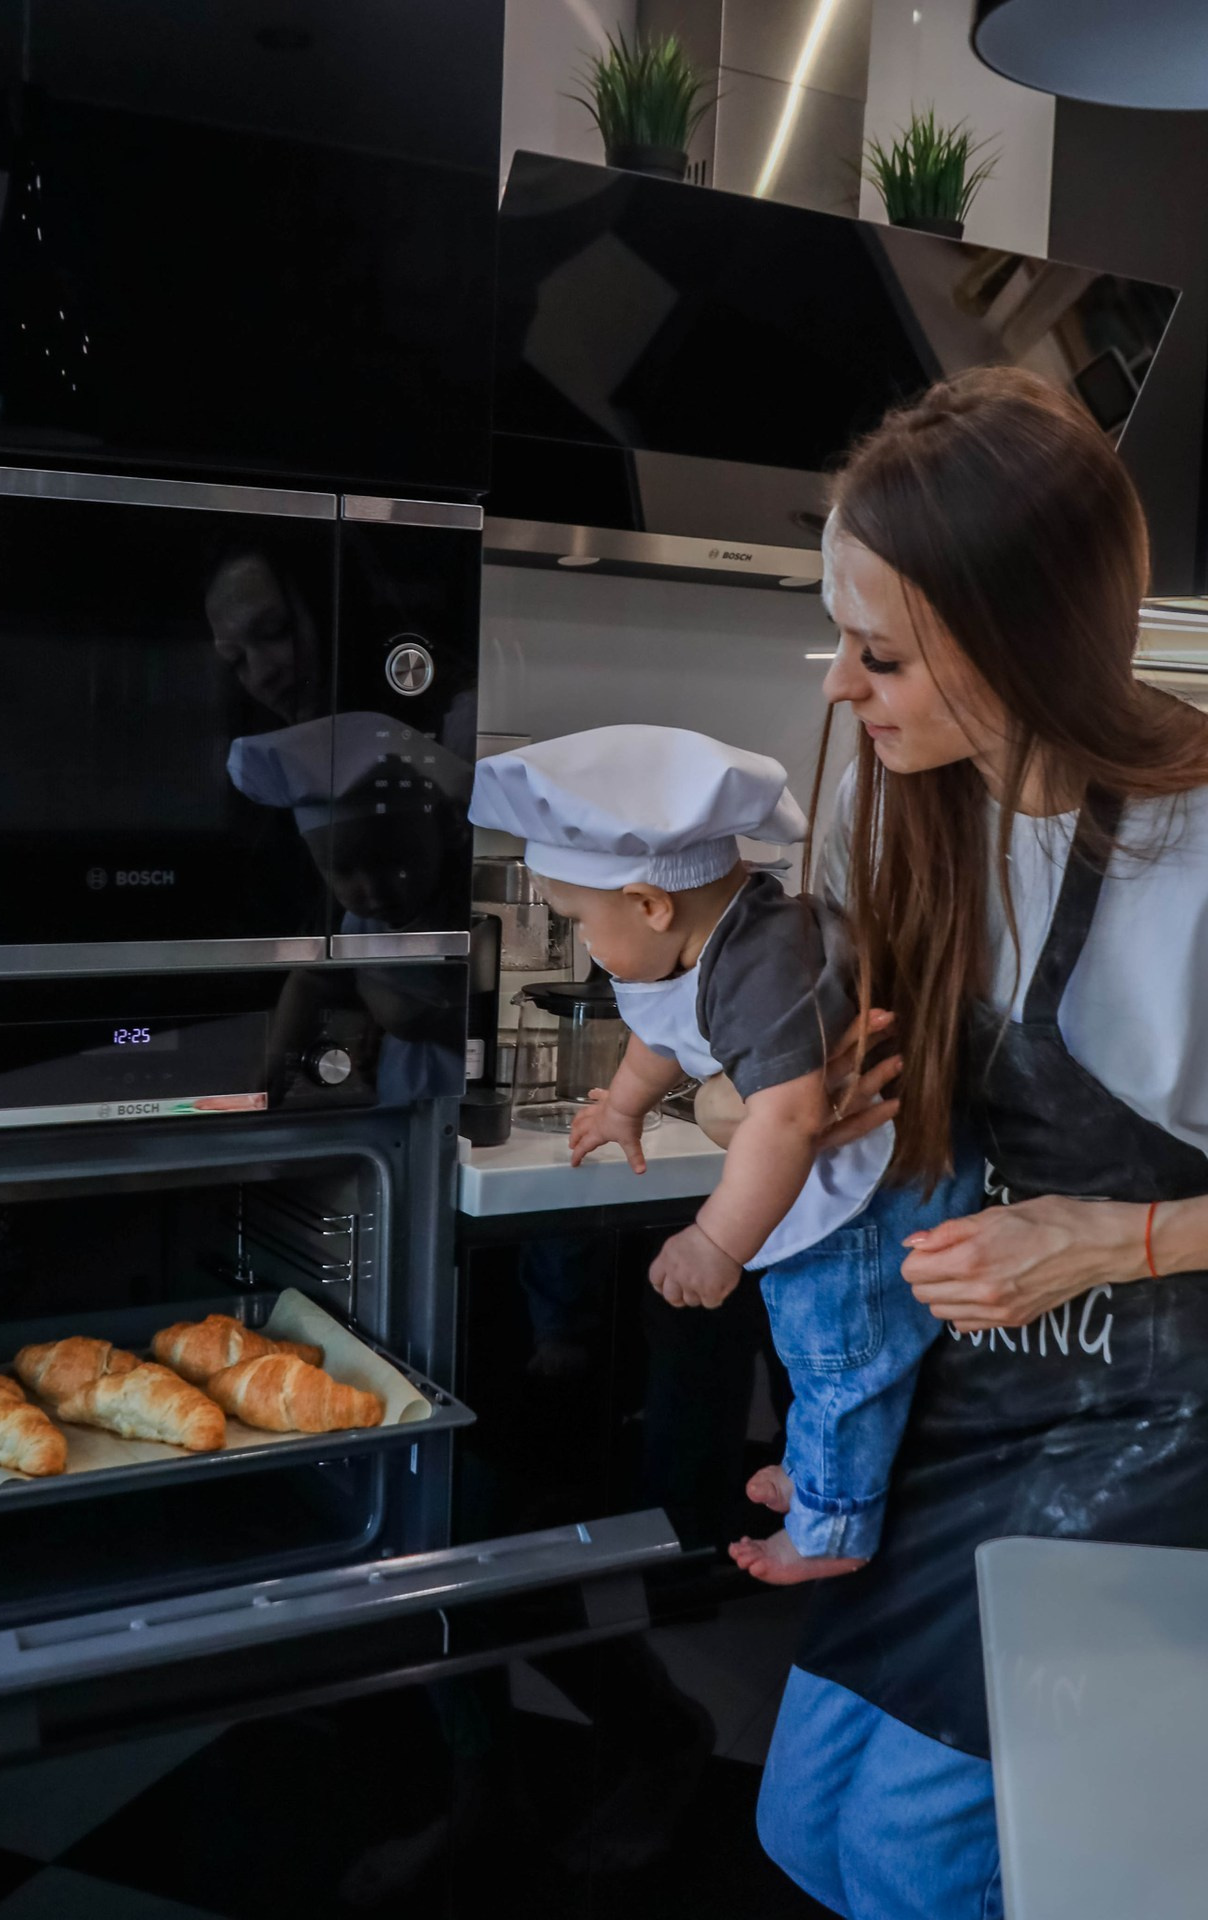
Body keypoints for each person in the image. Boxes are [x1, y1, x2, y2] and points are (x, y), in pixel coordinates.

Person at [710, 364, 1208, 1920]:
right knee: (811, 1830)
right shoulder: (925, 801)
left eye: (881, 655)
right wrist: (841, 1456)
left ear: (1017, 642)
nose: (843, 690)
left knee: (950, 1868)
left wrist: (1114, 1235)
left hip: (1175, 1440)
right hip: (986, 1415)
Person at [469, 726, 983, 1583]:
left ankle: (833, 1524)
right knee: (809, 1341)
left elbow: (786, 1120)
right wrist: (624, 1104)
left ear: (649, 903)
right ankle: (822, 1463)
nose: (587, 949)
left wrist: (715, 1241)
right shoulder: (712, 944)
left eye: (580, 924)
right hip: (842, 1181)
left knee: (840, 1348)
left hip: (878, 1191)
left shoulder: (766, 961)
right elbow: (664, 1028)